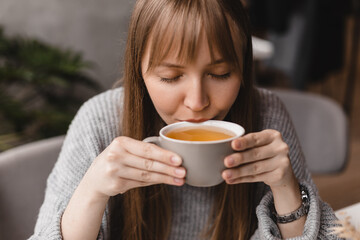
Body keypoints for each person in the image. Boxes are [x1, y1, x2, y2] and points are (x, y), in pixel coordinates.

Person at [29, 0, 340, 239]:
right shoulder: (100, 121)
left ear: (243, 69)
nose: (197, 102)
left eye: (220, 74)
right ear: (140, 71)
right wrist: (92, 191)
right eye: (170, 77)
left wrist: (286, 189)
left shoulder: (267, 115)